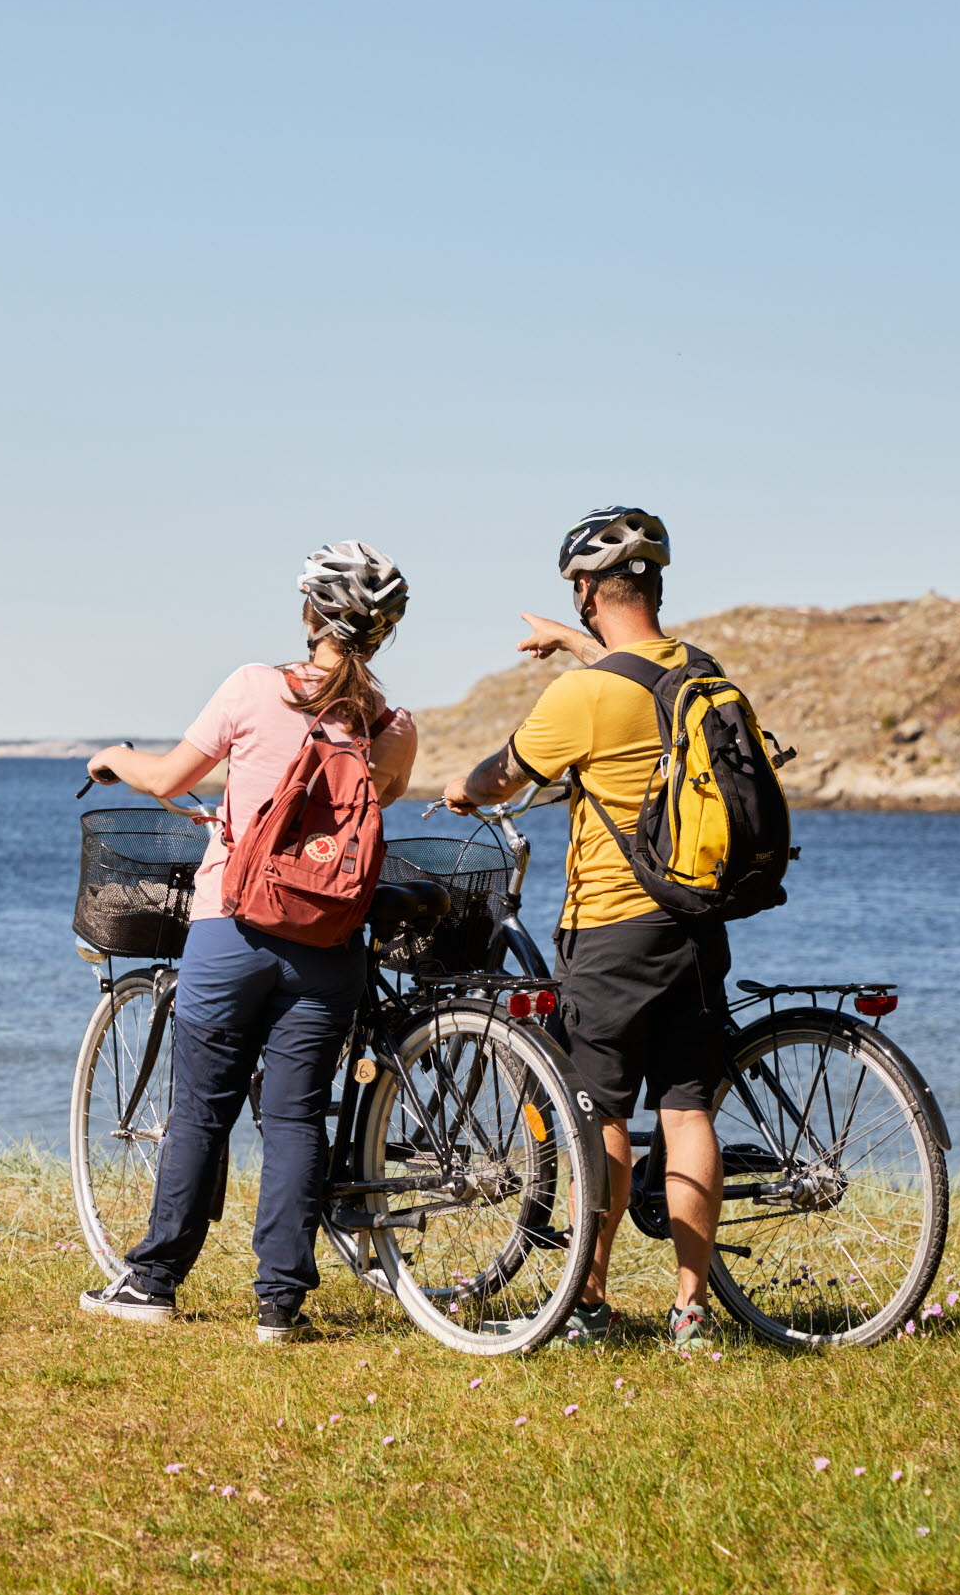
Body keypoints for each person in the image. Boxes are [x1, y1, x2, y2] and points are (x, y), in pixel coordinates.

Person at [80, 541, 418, 1342]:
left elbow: (165, 778)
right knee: (296, 1119)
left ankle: (153, 1282)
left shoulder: (253, 687)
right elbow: (365, 812)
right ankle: (279, 1307)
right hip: (330, 943)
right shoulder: (391, 726)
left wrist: (112, 757)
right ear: (379, 634)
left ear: (311, 615)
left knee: (201, 1110)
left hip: (231, 926)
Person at [441, 505, 727, 1348]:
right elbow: (631, 671)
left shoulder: (585, 695)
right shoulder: (697, 670)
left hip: (612, 926)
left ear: (589, 586)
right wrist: (574, 637)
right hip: (697, 921)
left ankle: (589, 1302)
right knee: (686, 1109)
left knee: (598, 1110)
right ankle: (690, 1309)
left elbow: (504, 775)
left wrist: (461, 787)